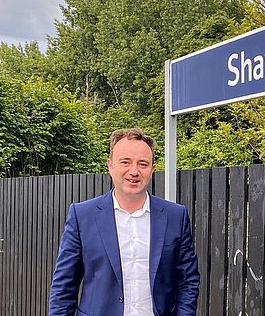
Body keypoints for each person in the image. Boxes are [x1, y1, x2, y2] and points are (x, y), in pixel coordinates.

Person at [49, 128, 199, 316]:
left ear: (152, 169)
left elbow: (188, 281)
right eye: (125, 162)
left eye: (142, 164)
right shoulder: (82, 216)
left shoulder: (175, 216)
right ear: (110, 165)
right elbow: (64, 287)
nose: (134, 171)